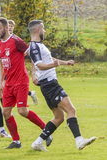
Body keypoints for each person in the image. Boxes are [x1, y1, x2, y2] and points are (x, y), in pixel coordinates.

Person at [28, 20, 96, 151]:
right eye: (43, 29)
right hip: (50, 85)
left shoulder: (39, 45)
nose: (45, 31)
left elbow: (50, 60)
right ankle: (79, 140)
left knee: (59, 118)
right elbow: (40, 66)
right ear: (37, 30)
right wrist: (55, 65)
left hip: (48, 85)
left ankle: (37, 143)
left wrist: (65, 63)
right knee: (71, 110)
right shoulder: (34, 47)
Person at [0, 17, 52, 149]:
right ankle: (16, 141)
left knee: (22, 111)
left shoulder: (16, 41)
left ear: (5, 27)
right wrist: (1, 82)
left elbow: (31, 54)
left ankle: (46, 131)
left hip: (21, 81)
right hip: (8, 83)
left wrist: (34, 72)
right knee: (6, 112)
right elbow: (2, 64)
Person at [8, 19, 38, 105]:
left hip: (16, 70)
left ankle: (17, 104)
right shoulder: (2, 40)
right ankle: (30, 94)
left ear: (13, 28)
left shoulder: (17, 40)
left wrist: (34, 70)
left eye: (11, 26)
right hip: (6, 69)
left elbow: (28, 52)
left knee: (14, 87)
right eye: (8, 26)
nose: (9, 28)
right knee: (3, 86)